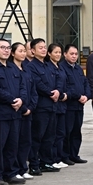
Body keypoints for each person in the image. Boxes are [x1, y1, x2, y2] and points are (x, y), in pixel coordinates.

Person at [0, 38, 26, 185]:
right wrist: (12, 100)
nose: (6, 50)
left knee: (12, 145)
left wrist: (21, 99)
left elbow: (23, 85)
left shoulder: (13, 67)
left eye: (8, 47)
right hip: (1, 113)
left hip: (15, 113)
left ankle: (11, 173)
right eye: (2, 47)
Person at [28, 39, 61, 172]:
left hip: (52, 105)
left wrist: (58, 90)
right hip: (41, 107)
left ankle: (46, 162)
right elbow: (37, 83)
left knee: (50, 136)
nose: (43, 49)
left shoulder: (48, 65)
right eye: (40, 47)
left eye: (44, 47)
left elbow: (58, 79)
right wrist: (50, 93)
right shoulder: (31, 66)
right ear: (33, 51)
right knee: (37, 136)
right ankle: (34, 164)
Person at [61, 44, 90, 164]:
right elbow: (67, 86)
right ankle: (65, 155)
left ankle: (74, 154)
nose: (74, 56)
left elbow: (85, 83)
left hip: (79, 106)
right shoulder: (62, 68)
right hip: (69, 105)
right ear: (65, 54)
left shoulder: (78, 68)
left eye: (76, 54)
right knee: (67, 131)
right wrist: (78, 96)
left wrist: (87, 96)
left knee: (76, 131)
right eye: (71, 54)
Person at [12, 43, 37, 177]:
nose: (22, 53)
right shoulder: (10, 69)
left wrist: (31, 107)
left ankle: (23, 168)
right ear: (13, 53)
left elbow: (33, 90)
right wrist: (22, 108)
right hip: (16, 111)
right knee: (14, 142)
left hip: (28, 111)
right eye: (20, 51)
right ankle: (15, 169)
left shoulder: (27, 70)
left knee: (25, 141)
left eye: (23, 51)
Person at [47, 43, 70, 168]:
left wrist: (65, 94)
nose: (58, 55)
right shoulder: (48, 67)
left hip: (62, 104)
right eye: (55, 52)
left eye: (59, 52)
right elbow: (52, 85)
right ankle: (52, 158)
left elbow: (64, 84)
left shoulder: (60, 67)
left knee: (61, 132)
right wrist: (60, 95)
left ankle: (58, 157)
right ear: (49, 53)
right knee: (52, 133)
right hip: (53, 103)